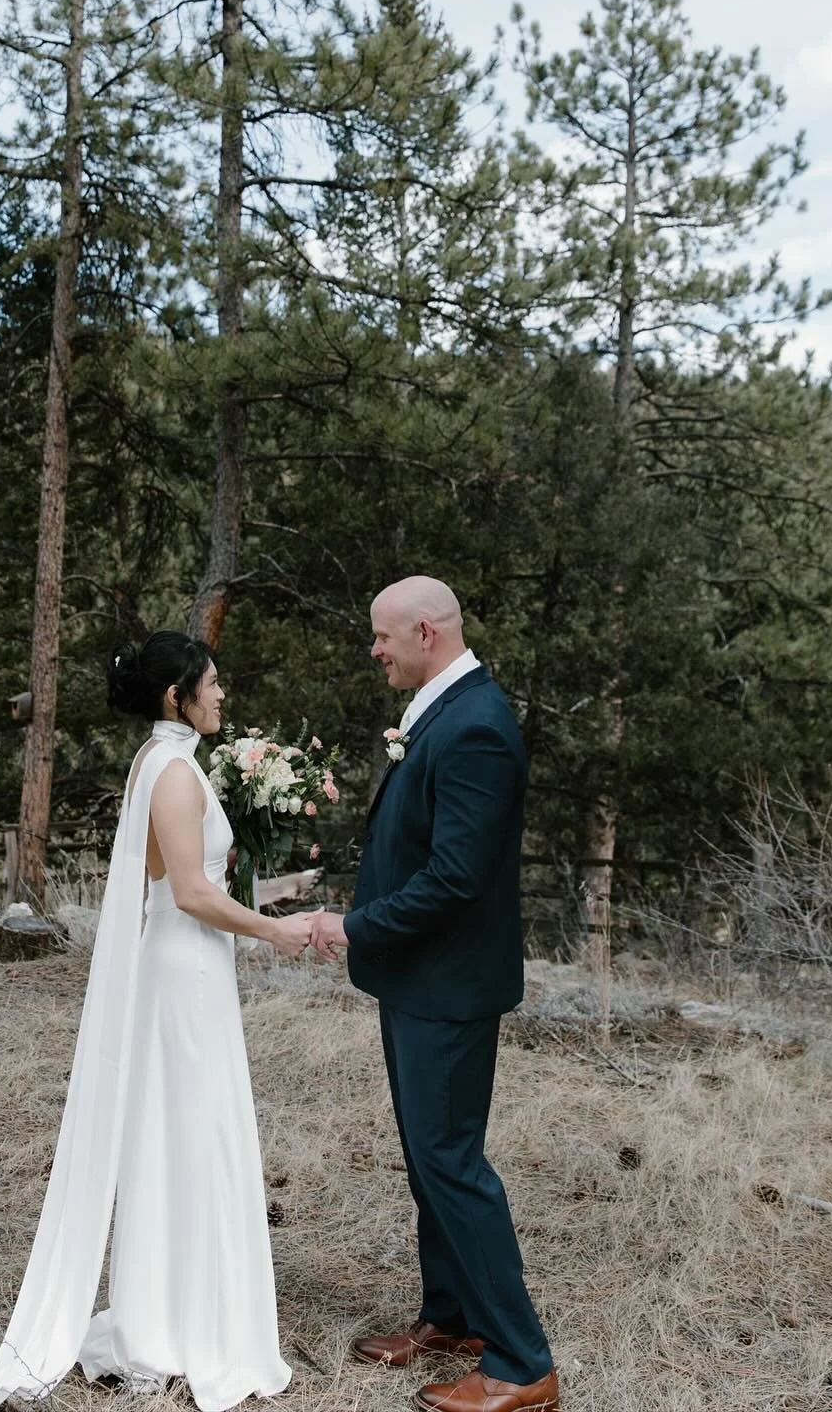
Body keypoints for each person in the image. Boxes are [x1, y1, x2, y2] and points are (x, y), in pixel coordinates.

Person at [0, 631, 313, 1412]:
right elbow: (192, 897)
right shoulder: (170, 771)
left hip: (192, 960)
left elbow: (189, 884)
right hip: (185, 967)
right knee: (188, 1137)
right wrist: (277, 933)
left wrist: (279, 892)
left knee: (185, 1135)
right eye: (213, 682)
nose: (223, 694)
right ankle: (174, 1326)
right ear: (177, 696)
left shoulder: (166, 762)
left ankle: (172, 1310)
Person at [310, 576, 558, 1412]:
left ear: (424, 632)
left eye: (382, 637)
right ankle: (450, 1316)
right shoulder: (446, 711)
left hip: (448, 987)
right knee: (428, 1159)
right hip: (418, 979)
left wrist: (355, 926)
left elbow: (456, 879)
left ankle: (522, 1364)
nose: (374, 651)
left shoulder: (479, 727)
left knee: (452, 1164)